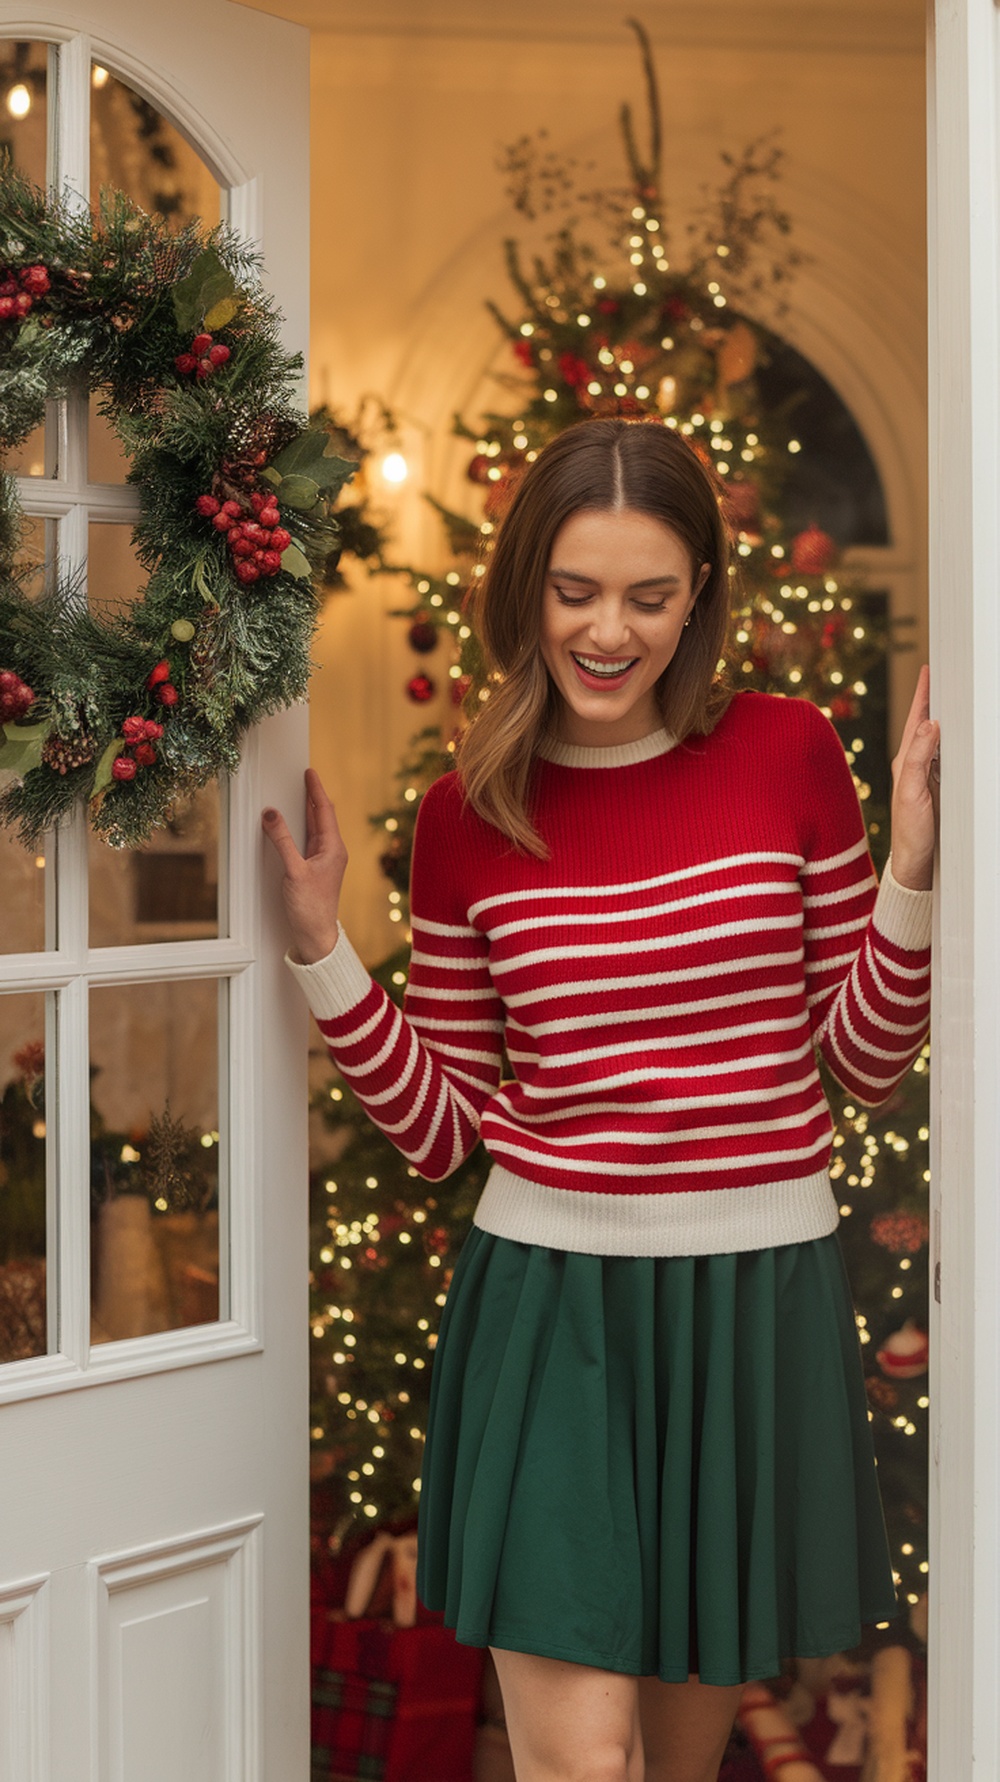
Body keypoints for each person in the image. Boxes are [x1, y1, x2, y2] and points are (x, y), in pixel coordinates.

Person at [263, 417, 937, 1782]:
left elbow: (862, 1059)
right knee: (584, 1757)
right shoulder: (467, 813)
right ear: (526, 592)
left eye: (647, 593)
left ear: (700, 592)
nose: (610, 631)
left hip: (751, 1297)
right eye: (576, 593)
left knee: (677, 1768)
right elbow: (445, 1124)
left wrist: (914, 868)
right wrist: (323, 946)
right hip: (551, 1301)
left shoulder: (791, 752)